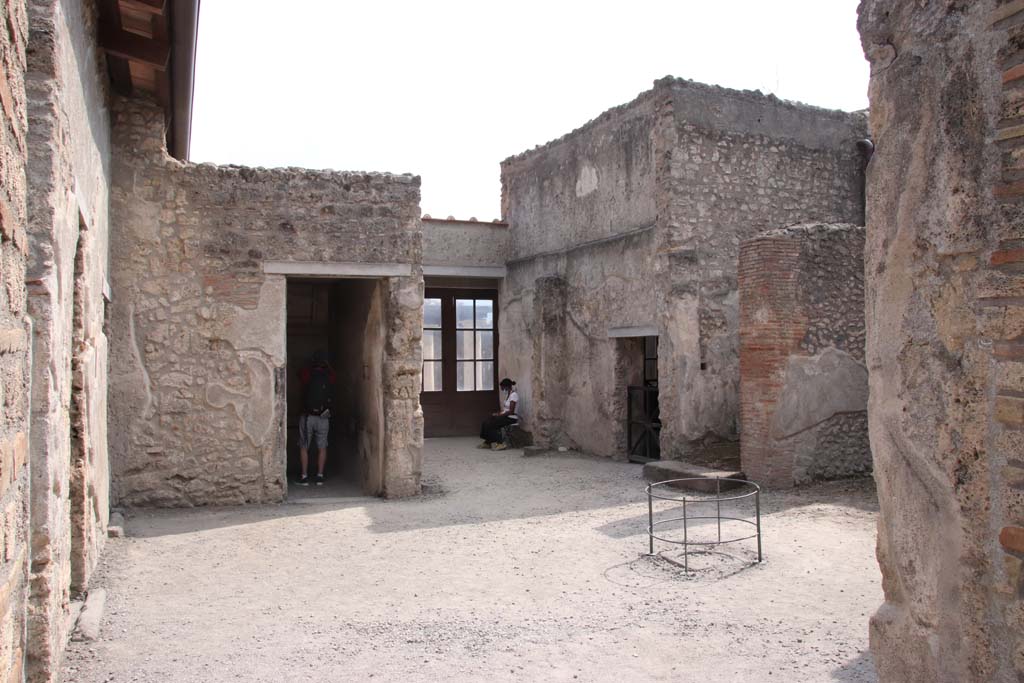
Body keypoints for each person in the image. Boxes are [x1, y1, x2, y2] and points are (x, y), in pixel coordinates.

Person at [297, 350, 336, 485]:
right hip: (323, 417)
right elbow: (334, 377)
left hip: (307, 416)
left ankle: (304, 476)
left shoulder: (307, 373)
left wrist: (309, 364)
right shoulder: (329, 375)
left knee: (304, 446)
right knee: (322, 447)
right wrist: (327, 365)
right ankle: (320, 476)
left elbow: (300, 376)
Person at [479, 378, 519, 451]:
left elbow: (511, 411)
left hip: (511, 418)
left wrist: (500, 415)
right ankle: (487, 442)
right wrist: (498, 413)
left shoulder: (514, 395)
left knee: (493, 423)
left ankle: (500, 443)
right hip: (505, 416)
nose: (502, 389)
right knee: (486, 422)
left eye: (502, 387)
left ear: (507, 386)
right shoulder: (508, 395)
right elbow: (505, 410)